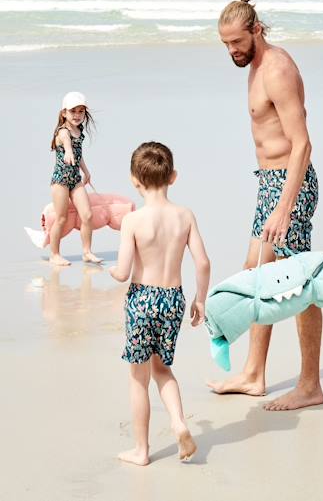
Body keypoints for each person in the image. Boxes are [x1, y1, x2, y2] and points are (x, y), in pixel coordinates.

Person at [208, 0, 321, 411]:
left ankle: (310, 384)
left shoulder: (276, 69)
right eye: (225, 45)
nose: (232, 51)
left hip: (290, 185)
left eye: (237, 41)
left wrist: (285, 205)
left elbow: (303, 144)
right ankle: (255, 374)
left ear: (256, 29)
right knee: (257, 275)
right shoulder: (253, 67)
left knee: (299, 283)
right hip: (269, 183)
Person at [110, 141, 210, 466]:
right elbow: (203, 263)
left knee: (138, 377)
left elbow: (124, 272)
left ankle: (141, 450)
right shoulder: (185, 216)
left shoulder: (133, 221)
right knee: (162, 369)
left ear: (133, 180)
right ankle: (179, 422)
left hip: (142, 300)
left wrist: (112, 270)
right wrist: (200, 300)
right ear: (173, 177)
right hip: (173, 299)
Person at [49, 91, 102, 266]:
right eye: (73, 111)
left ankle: (87, 252)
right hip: (60, 181)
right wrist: (69, 151)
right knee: (61, 218)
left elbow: (79, 154)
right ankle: (54, 254)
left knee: (87, 215)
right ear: (64, 113)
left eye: (81, 111)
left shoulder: (79, 131)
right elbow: (67, 144)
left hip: (75, 180)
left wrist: (86, 172)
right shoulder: (63, 131)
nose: (77, 115)